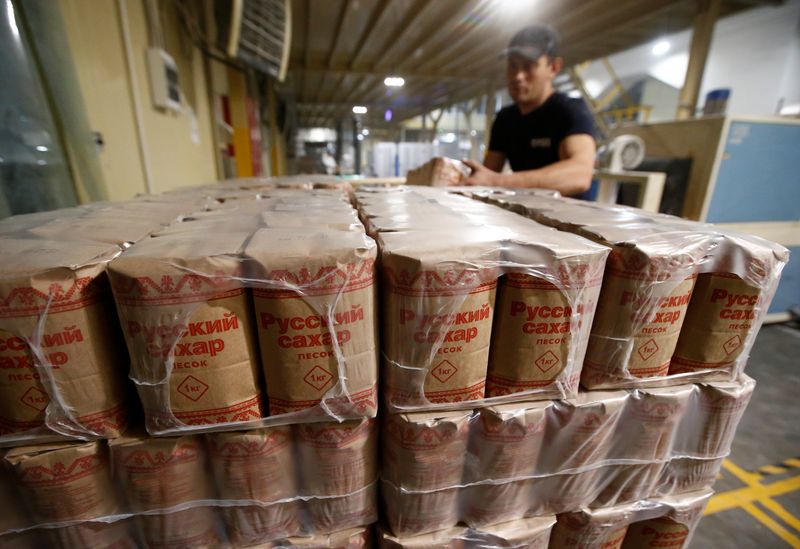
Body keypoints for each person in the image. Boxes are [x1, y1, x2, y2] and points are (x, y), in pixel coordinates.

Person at [461, 25, 596, 196]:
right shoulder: (505, 119)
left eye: (528, 66)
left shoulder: (570, 111)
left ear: (554, 67)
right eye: (512, 66)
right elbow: (486, 174)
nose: (518, 76)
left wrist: (498, 181)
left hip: (571, 220)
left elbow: (579, 176)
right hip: (527, 215)